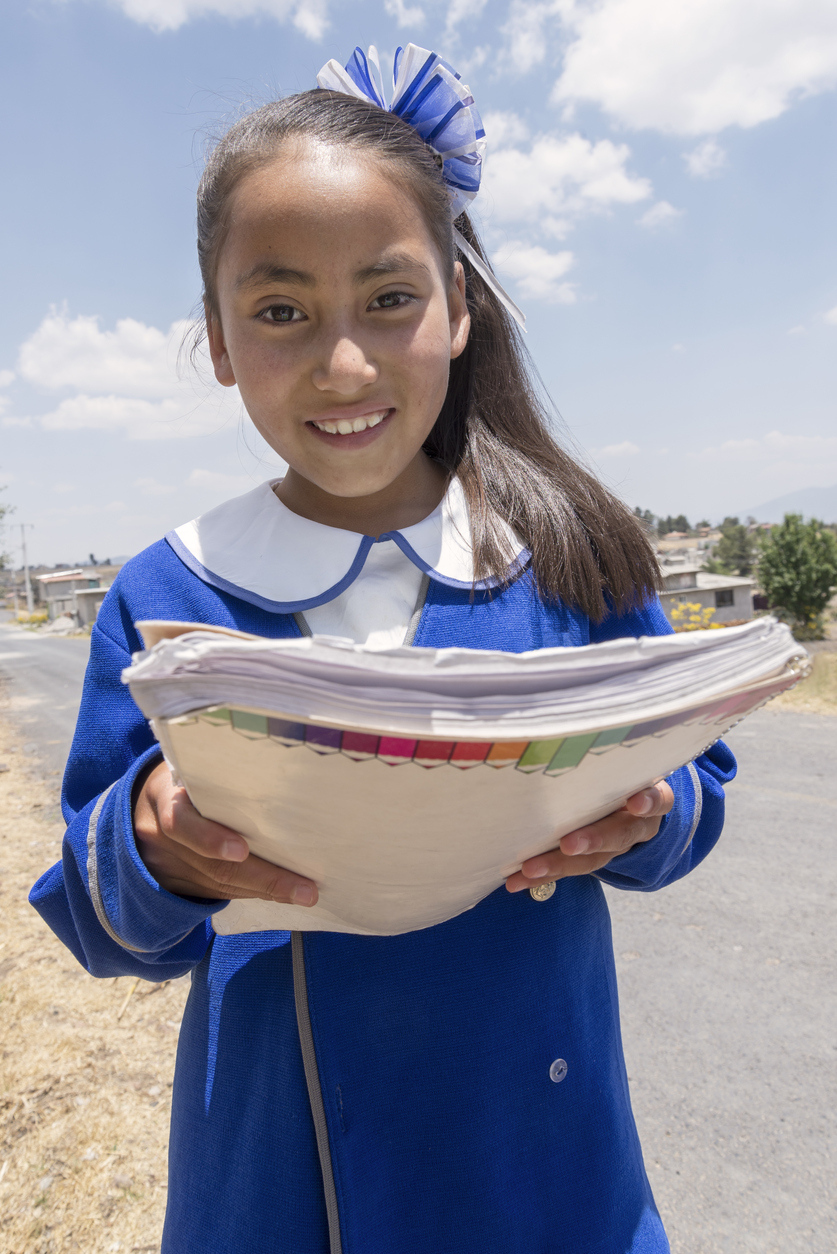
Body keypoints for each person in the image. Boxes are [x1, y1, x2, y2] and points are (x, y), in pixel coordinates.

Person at [30, 44, 735, 1254]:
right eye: (281, 309)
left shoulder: (568, 552)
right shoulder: (166, 593)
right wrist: (160, 847)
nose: (341, 361)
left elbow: (698, 795)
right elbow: (103, 921)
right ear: (216, 335)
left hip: (543, 1168)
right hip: (281, 1188)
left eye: (390, 298)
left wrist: (649, 810)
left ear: (462, 308)